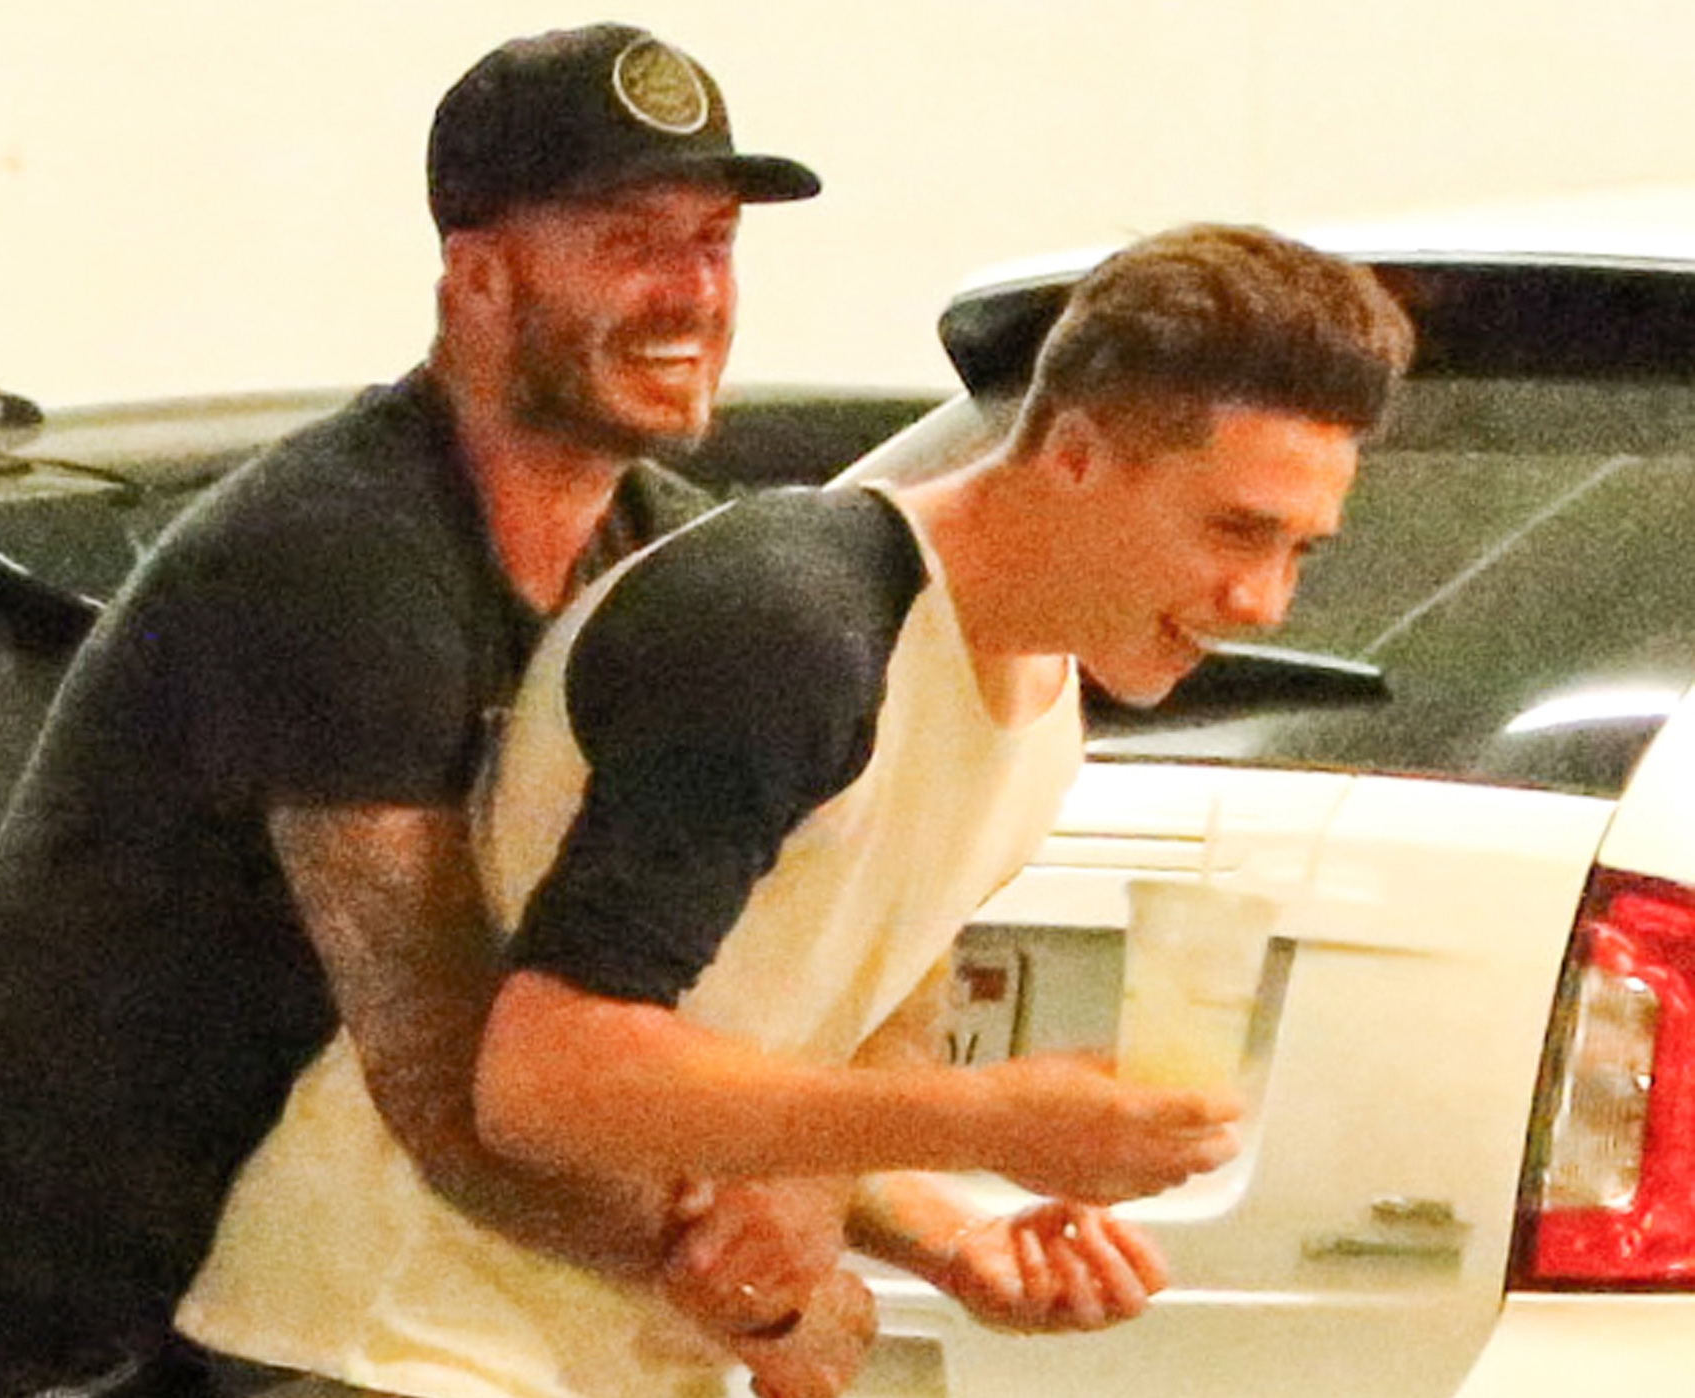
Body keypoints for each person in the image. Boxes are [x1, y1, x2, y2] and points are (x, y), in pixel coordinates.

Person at [175, 222, 1415, 1398]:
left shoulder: (1043, 700)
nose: (1262, 602)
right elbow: (542, 1075)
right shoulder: (789, 627)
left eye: (1299, 550)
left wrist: (949, 1239)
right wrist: (989, 1123)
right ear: (1076, 454)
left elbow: (851, 1037)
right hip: (390, 1344)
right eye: (1235, 530)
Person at [0, 23, 843, 1398]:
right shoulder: (337, 557)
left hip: (277, 1321)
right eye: (629, 242)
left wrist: (902, 1216)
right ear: (479, 276)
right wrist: (747, 1293)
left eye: (713, 242)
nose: (690, 293)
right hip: (43, 1329)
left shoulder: (667, 566)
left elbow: (802, 945)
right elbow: (453, 1088)